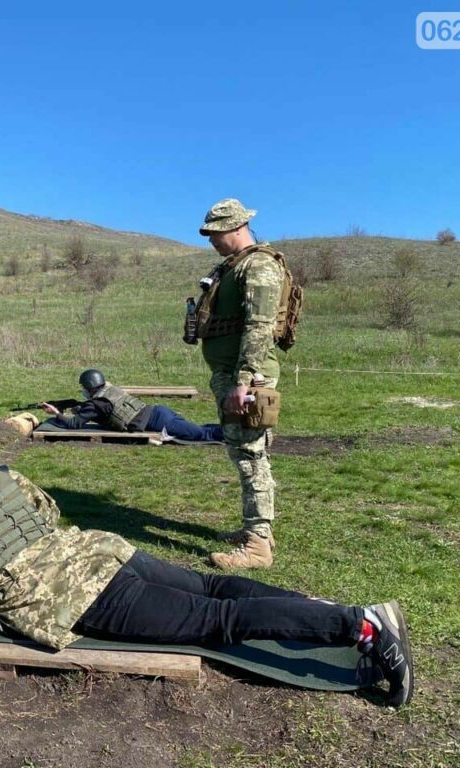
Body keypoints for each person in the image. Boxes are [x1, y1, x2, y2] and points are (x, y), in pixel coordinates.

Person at [0, 422, 415, 707]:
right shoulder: (2, 475)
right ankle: (329, 611)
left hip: (77, 595)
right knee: (213, 586)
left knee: (212, 625)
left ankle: (358, 625)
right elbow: (48, 512)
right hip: (103, 550)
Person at [194, 198, 290, 570]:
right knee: (245, 453)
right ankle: (257, 529)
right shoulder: (234, 267)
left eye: (216, 233)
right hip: (233, 374)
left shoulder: (260, 266)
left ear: (237, 228)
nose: (212, 241)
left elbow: (259, 326)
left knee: (251, 455)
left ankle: (257, 546)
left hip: (247, 377)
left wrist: (244, 380)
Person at [41, 369, 224, 443]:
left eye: (83, 388)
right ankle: (231, 430)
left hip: (158, 421)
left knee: (201, 435)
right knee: (199, 429)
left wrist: (56, 413)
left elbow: (74, 425)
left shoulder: (96, 404)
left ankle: (234, 434)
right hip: (158, 412)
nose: (82, 390)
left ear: (89, 388)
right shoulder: (108, 390)